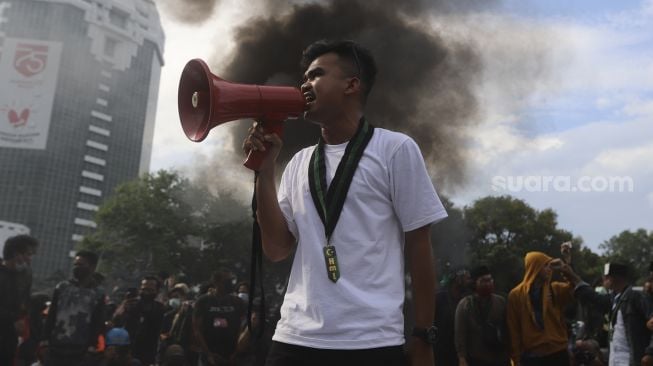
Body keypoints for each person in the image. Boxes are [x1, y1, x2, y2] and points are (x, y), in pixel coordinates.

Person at [242, 39, 447, 366]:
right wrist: (266, 172)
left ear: (352, 84)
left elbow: (420, 244)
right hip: (294, 337)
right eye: (304, 77)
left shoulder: (394, 149)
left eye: (316, 74)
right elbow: (277, 248)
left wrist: (424, 335)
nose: (304, 84)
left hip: (371, 340)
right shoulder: (298, 162)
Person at [560, 262, 653, 366]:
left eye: (606, 276)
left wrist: (650, 353)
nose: (603, 278)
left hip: (632, 359)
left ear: (615, 278)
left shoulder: (637, 297)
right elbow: (593, 297)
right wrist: (572, 276)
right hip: (615, 358)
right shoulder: (614, 299)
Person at [506, 252, 574, 366]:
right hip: (532, 356)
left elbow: (575, 288)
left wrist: (565, 268)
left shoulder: (555, 289)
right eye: (545, 265)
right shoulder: (516, 295)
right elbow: (514, 329)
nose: (549, 269)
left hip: (558, 352)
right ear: (535, 267)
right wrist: (516, 359)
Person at [42, 250, 106, 366]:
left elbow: (97, 321)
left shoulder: (98, 293)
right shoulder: (62, 287)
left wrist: (92, 346)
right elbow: (52, 314)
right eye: (75, 264)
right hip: (56, 346)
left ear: (92, 267)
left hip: (81, 349)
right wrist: (44, 340)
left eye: (81, 265)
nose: (76, 268)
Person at [454, 265, 509, 366]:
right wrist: (462, 358)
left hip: (500, 358)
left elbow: (508, 328)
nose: (488, 283)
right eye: (484, 280)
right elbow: (460, 333)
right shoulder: (465, 305)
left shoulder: (500, 302)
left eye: (490, 280)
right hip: (477, 358)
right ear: (475, 283)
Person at [192, 270, 246, 365]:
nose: (230, 283)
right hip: (208, 355)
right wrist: (208, 354)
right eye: (226, 281)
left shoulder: (237, 302)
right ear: (216, 282)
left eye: (231, 280)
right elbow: (197, 329)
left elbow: (242, 328)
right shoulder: (203, 301)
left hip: (231, 356)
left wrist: (236, 353)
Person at [113, 276, 165, 366]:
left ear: (156, 291)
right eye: (144, 289)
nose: (146, 293)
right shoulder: (130, 304)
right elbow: (116, 321)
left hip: (148, 352)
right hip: (127, 350)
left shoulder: (160, 309)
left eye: (150, 290)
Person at [0, 235, 34, 364]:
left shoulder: (26, 274)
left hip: (11, 336)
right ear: (16, 254)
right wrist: (13, 319)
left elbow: (26, 300)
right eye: (28, 254)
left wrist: (22, 318)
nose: (30, 260)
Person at [435, 267, 472, 366]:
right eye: (467, 278)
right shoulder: (440, 299)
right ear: (458, 279)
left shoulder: (468, 300)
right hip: (442, 354)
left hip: (461, 355)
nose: (469, 281)